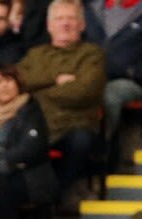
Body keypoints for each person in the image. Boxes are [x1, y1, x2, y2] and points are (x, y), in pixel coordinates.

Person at [16, 0, 105, 197]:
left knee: (81, 141)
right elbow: (17, 82)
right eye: (59, 19)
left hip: (74, 127)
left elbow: (83, 91)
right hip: (37, 127)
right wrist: (54, 80)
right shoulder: (35, 54)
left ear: (82, 25)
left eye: (71, 19)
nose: (65, 24)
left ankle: (57, 194)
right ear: (49, 26)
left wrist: (38, 91)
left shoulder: (93, 54)